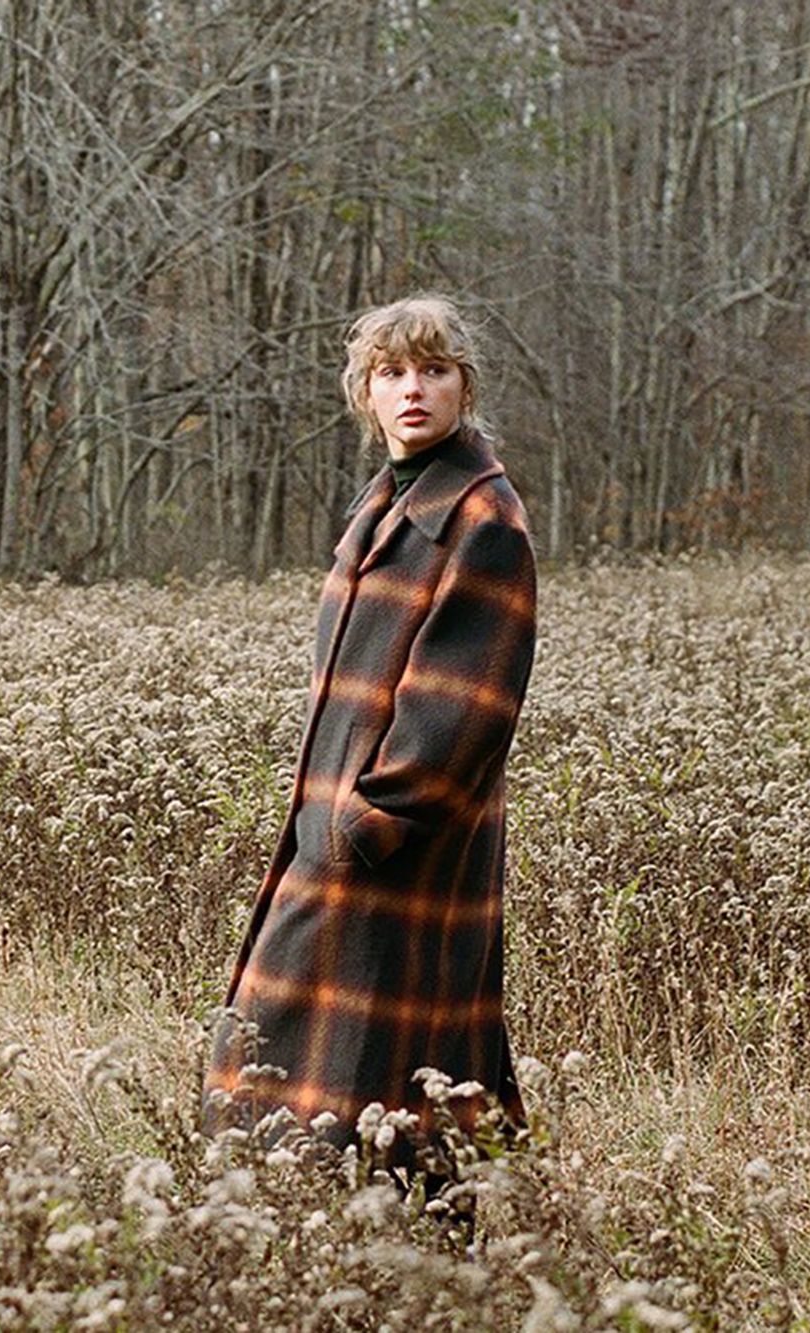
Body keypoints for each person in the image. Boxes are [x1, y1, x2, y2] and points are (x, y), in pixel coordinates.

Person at [205, 294, 538, 1240]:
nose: (412, 390)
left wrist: (368, 823)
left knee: (380, 1056)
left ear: (463, 383)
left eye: (432, 370)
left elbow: (464, 705)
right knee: (385, 1059)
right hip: (341, 830)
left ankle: (407, 1247)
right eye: (391, 373)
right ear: (365, 392)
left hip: (401, 848)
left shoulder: (482, 516)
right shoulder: (384, 502)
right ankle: (393, 1242)